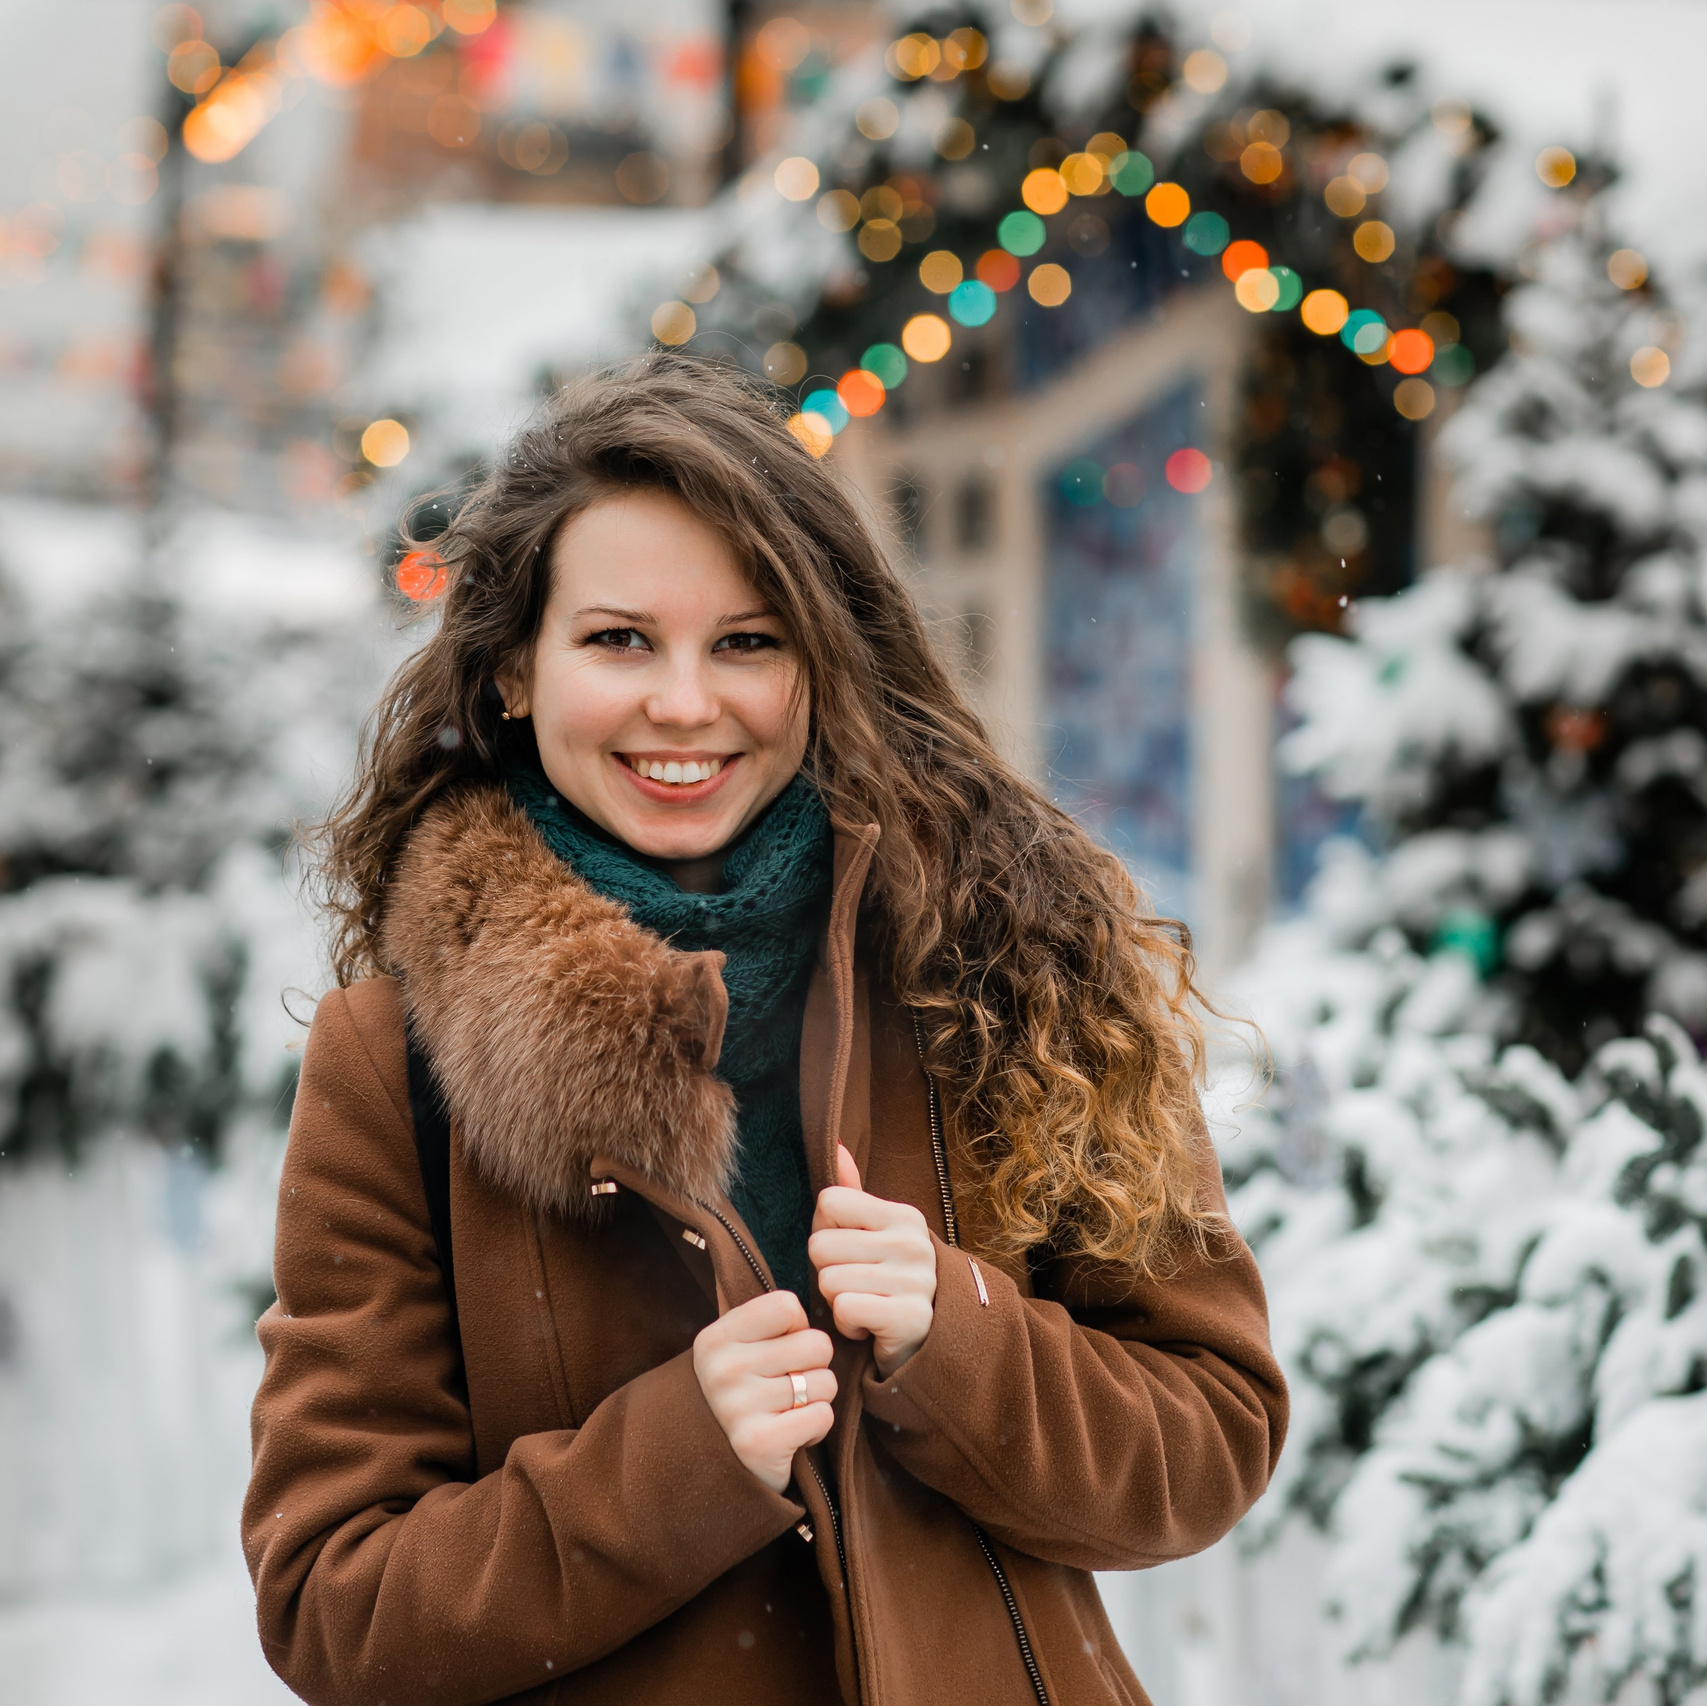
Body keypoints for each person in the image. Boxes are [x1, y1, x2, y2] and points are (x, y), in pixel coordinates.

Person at [243, 354, 1286, 1706]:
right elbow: (335, 1601)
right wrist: (676, 1462)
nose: (685, 702)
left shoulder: (1008, 957)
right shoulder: (394, 1058)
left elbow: (1212, 1432)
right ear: (511, 669)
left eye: (747, 640)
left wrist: (957, 1341)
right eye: (620, 639)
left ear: (821, 658)